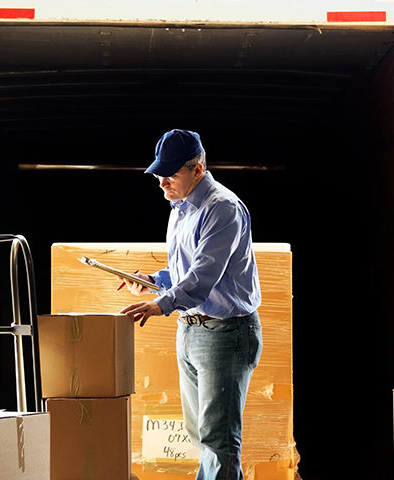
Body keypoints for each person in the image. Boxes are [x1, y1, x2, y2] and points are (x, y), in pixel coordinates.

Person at [119, 129, 263, 480]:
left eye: (170, 174)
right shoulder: (181, 207)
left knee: (218, 440)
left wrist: (160, 305)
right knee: (200, 434)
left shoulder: (222, 208)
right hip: (191, 330)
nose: (162, 182)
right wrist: (154, 282)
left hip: (225, 335)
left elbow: (204, 275)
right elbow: (184, 269)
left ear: (197, 169)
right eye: (158, 173)